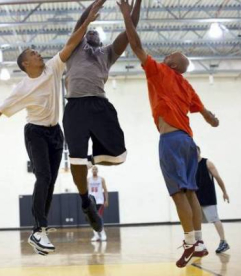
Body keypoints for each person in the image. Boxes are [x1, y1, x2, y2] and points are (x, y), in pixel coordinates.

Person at [0, 0, 106, 256]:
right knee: (42, 177)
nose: (38, 54)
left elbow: (71, 43)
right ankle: (37, 229)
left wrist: (87, 21)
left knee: (51, 181)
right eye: (33, 54)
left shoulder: (53, 68)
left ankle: (40, 232)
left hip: (56, 133)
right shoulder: (21, 88)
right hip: (36, 133)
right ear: (25, 65)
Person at [118, 0, 220, 268]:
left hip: (172, 141)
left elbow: (135, 44)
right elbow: (210, 118)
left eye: (170, 55)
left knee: (178, 194)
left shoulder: (160, 72)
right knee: (191, 193)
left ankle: (189, 242)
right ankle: (198, 241)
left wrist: (127, 16)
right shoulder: (186, 86)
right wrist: (213, 118)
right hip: (189, 142)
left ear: (172, 64)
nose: (164, 57)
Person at [63, 0, 142, 234]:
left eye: (96, 31)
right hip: (75, 106)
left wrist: (136, 4)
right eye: (90, 31)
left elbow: (131, 29)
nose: (93, 32)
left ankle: (91, 160)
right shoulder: (76, 48)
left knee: (119, 156)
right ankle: (85, 201)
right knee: (76, 162)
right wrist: (95, 5)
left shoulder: (107, 54)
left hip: (100, 105)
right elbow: (81, 23)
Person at [196, 146, 230, 253]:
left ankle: (223, 241)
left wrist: (224, 192)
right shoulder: (190, 165)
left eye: (195, 150)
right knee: (196, 221)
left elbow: (218, 178)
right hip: (195, 199)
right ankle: (199, 244)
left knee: (215, 218)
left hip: (208, 196)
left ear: (199, 151)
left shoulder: (207, 163)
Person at [88, 166, 109, 242]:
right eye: (93, 169)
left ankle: (103, 234)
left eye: (96, 169)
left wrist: (106, 200)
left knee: (98, 217)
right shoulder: (88, 180)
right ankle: (96, 236)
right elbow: (86, 191)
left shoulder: (101, 179)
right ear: (91, 171)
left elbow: (105, 190)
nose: (94, 170)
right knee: (92, 219)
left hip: (100, 201)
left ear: (97, 171)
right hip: (91, 201)